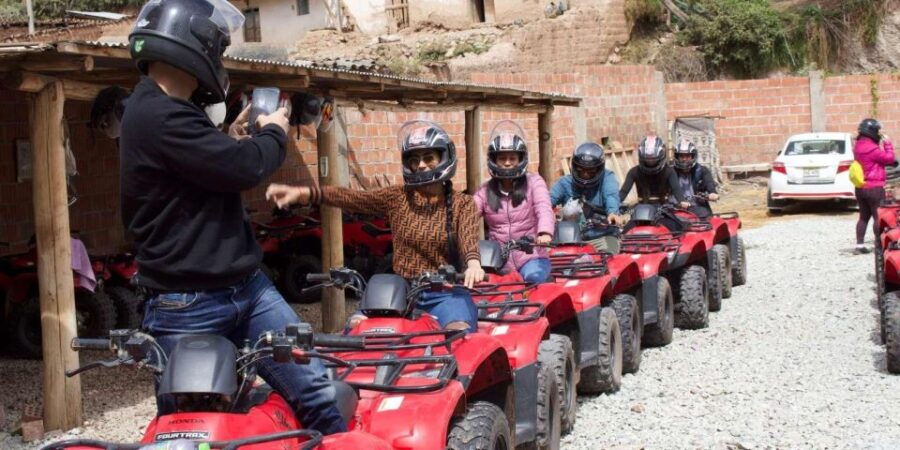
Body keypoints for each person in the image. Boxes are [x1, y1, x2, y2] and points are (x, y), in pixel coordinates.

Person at [120, 0, 346, 435]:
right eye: (218, 50)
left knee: (316, 390)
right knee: (194, 430)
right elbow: (244, 169)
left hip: (246, 288)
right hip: (188, 304)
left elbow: (201, 168)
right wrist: (274, 133)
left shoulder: (166, 110)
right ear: (196, 47)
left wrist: (228, 138)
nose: (218, 61)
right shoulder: (159, 115)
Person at [266, 120, 485, 332]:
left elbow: (467, 237)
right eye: (414, 159)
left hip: (446, 292)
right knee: (360, 330)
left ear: (444, 158)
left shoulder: (461, 204)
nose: (420, 165)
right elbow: (352, 198)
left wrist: (473, 263)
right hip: (401, 289)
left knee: (459, 333)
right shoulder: (398, 197)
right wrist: (306, 193)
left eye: (428, 158)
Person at [473, 121, 555, 283]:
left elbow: (543, 207)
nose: (508, 162)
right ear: (494, 160)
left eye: (512, 158)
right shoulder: (484, 191)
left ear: (521, 159)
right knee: (480, 290)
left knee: (534, 280)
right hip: (497, 260)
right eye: (502, 158)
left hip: (531, 257)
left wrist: (544, 232)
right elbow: (467, 214)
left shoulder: (534, 183)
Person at [550, 142, 623, 253]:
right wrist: (546, 216)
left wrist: (612, 213)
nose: (585, 175)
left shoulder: (607, 178)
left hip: (603, 236)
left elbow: (611, 196)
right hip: (569, 239)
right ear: (574, 166)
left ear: (599, 169)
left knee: (609, 260)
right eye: (581, 170)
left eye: (591, 171)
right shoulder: (565, 183)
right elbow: (545, 202)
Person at [619, 135, 688, 233]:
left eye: (653, 160)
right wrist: (614, 205)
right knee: (624, 232)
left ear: (661, 157)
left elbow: (677, 189)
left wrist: (682, 201)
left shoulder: (669, 171)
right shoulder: (634, 172)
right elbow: (623, 192)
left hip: (663, 209)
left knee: (678, 230)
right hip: (639, 210)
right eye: (647, 160)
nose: (650, 162)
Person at [853, 118, 895, 254]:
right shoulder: (872, 149)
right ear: (872, 131)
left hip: (861, 187)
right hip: (875, 187)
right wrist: (887, 143)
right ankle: (878, 244)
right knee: (878, 216)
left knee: (863, 216)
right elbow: (889, 159)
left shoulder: (858, 146)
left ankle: (859, 245)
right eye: (877, 130)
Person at [672, 138, 719, 218]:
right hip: (674, 208)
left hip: (696, 207)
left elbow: (709, 183)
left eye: (687, 156)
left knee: (705, 215)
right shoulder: (671, 172)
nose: (684, 159)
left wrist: (712, 193)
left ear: (693, 156)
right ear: (677, 157)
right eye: (681, 156)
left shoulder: (702, 171)